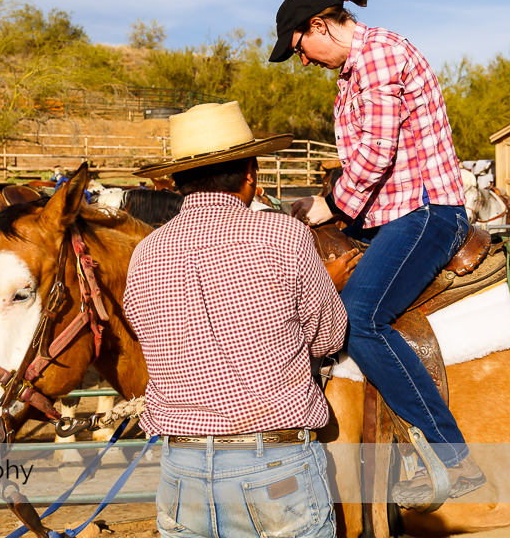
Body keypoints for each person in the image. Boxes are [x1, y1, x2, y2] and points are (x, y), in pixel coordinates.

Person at [268, 0, 487, 507]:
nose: (303, 61)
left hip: (427, 211)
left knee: (359, 317)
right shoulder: (355, 69)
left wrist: (329, 205)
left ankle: (451, 455)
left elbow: (374, 155)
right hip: (392, 213)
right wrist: (324, 206)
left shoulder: (379, 55)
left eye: (299, 48)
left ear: (319, 25)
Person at [123, 101, 347, 538]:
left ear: (177, 181)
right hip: (272, 465)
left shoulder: (145, 253)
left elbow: (146, 337)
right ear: (250, 173)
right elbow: (328, 337)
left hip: (180, 471)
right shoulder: (285, 236)